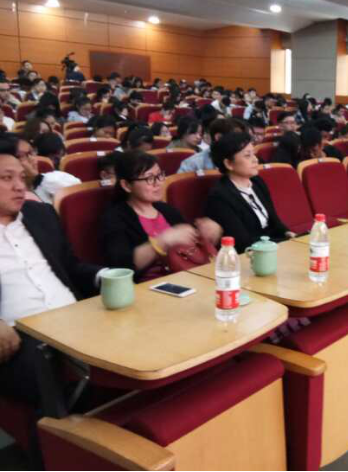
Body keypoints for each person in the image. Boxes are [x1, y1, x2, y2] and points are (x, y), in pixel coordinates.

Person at [0, 138, 105, 407]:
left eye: (21, 177)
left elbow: (70, 266)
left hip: (74, 316)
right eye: (7, 178)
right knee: (46, 371)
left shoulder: (41, 214)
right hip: (19, 336)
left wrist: (105, 276)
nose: (19, 186)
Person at [100, 151, 221, 283]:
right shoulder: (115, 217)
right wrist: (162, 241)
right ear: (126, 185)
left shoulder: (166, 210)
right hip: (149, 286)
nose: (158, 183)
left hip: (185, 277)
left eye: (159, 175)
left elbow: (189, 247)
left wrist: (206, 232)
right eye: (149, 178)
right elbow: (120, 267)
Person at [205, 132, 295, 254]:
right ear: (228, 164)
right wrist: (281, 243)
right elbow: (242, 242)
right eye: (247, 156)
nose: (255, 160)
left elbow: (274, 220)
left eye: (254, 154)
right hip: (249, 254)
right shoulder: (219, 197)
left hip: (272, 247)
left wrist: (287, 233)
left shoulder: (257, 181)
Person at [177, 118, 245, 173]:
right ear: (219, 137)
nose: (242, 144)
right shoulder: (193, 163)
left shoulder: (244, 159)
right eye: (237, 139)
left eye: (200, 134)